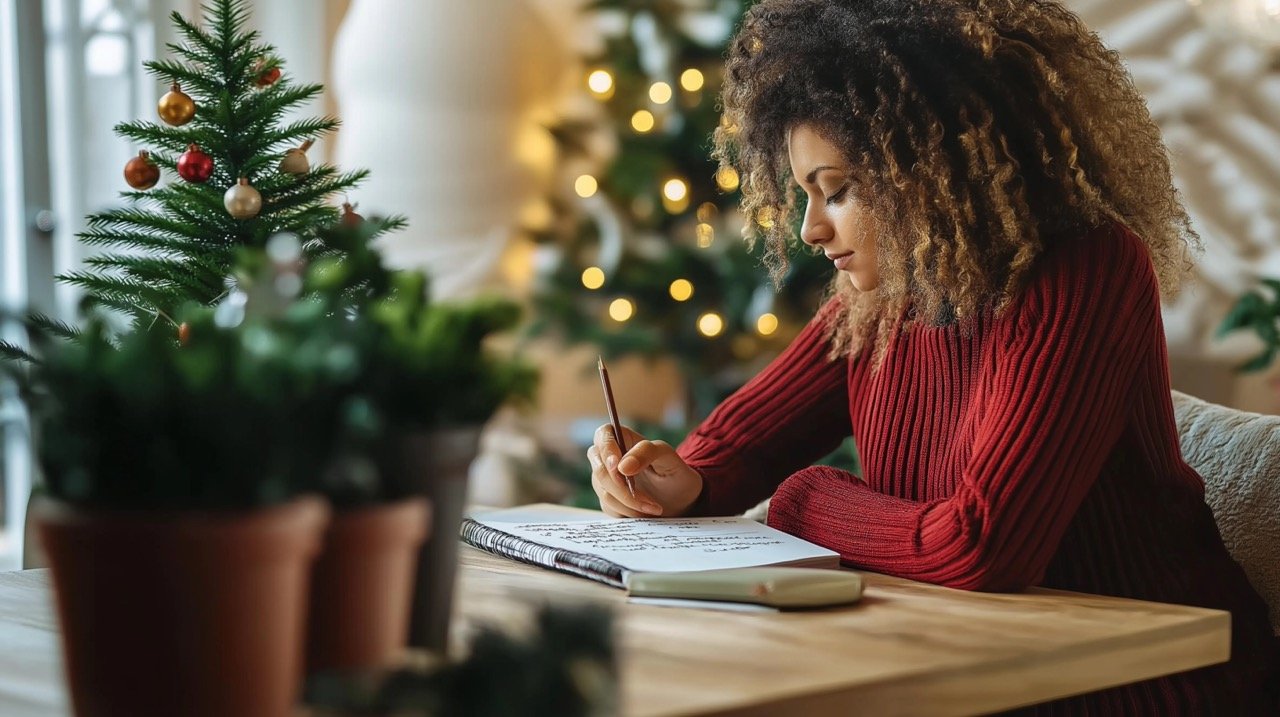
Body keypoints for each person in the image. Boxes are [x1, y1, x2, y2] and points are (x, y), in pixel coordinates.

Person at [586, 0, 1280, 712]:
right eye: (805, 194)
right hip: (971, 659)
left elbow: (984, 544)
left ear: (928, 164)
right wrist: (676, 482)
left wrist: (802, 499)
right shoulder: (881, 303)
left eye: (839, 190)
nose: (811, 228)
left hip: (1142, 680)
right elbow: (735, 448)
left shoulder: (1088, 269)